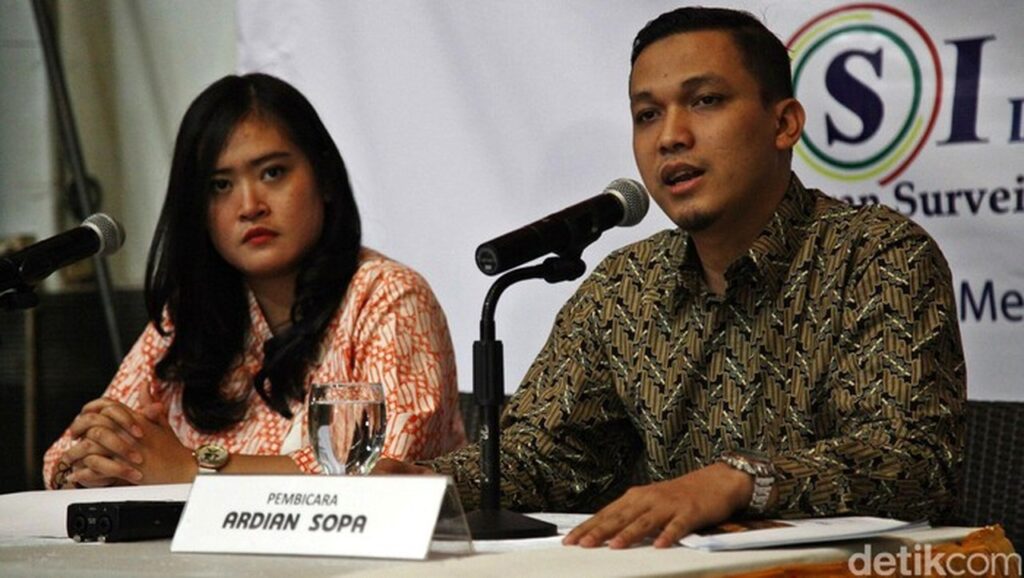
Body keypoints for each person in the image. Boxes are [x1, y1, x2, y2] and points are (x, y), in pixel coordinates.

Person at [376, 7, 966, 549]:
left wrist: (739, 482)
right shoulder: (627, 285)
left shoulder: (876, 255)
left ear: (784, 123)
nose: (670, 136)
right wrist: (425, 481)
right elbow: (547, 458)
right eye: (647, 115)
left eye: (705, 101)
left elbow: (913, 461)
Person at [44, 73, 465, 489]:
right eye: (220, 185)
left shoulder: (388, 296)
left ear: (325, 178)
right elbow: (62, 459)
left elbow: (384, 471)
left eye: (272, 173)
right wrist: (99, 466)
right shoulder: (190, 314)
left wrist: (196, 469)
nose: (249, 206)